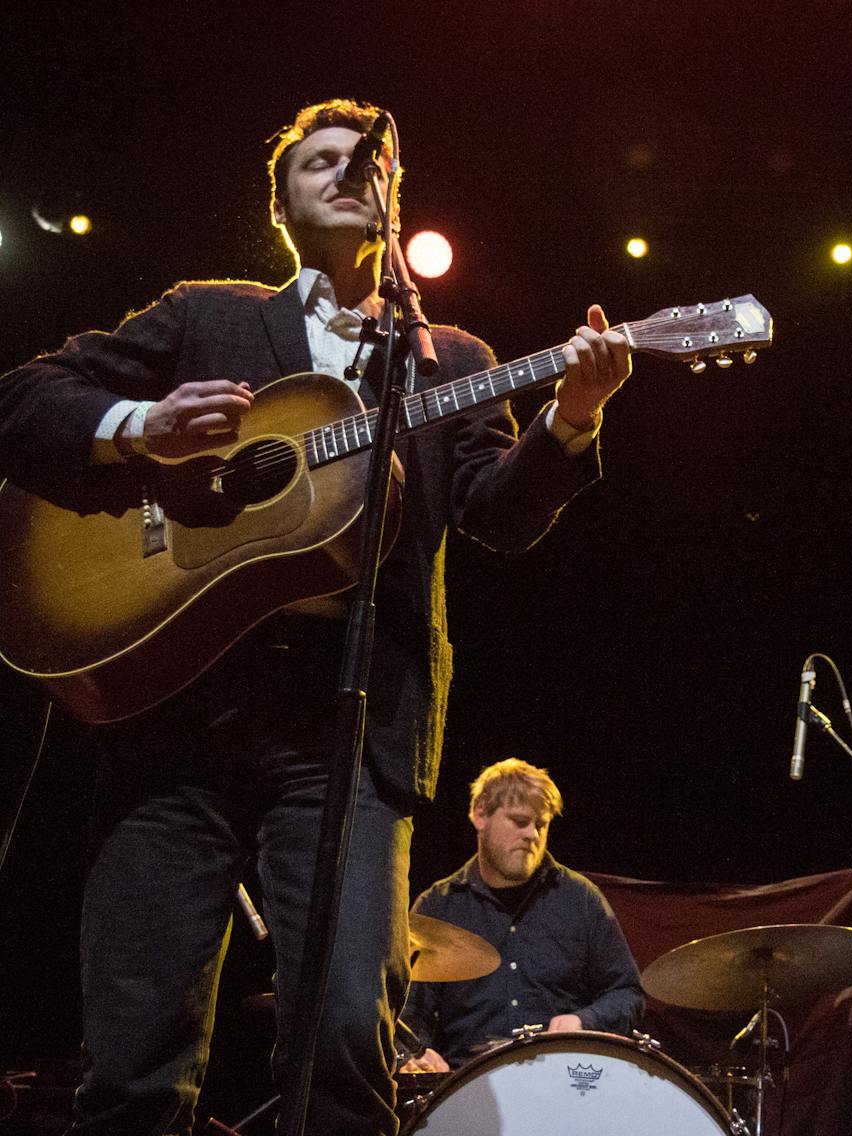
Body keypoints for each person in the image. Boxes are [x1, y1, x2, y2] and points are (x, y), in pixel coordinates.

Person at [0, 99, 631, 1136]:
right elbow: (23, 400)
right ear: (282, 208)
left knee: (345, 1042)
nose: (349, 170)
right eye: (321, 161)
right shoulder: (206, 315)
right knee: (136, 1054)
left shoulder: (452, 359)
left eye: (367, 160)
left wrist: (570, 421)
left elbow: (496, 515)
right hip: (173, 720)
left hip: (346, 728)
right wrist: (140, 428)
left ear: (394, 200)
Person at [398, 758, 643, 1072]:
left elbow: (628, 993)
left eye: (541, 824)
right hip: (467, 1087)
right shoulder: (437, 906)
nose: (533, 835)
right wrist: (415, 1055)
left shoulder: (580, 898)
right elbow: (407, 1015)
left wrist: (583, 1021)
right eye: (519, 821)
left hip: (562, 1079)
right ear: (480, 814)